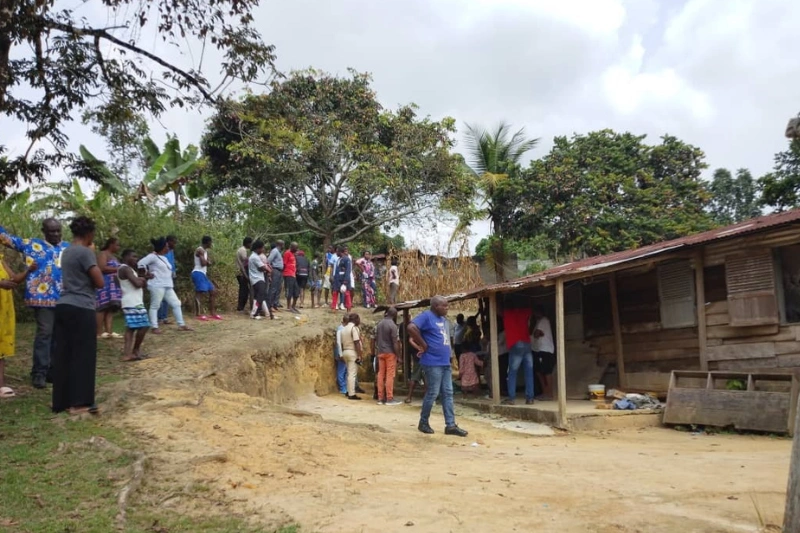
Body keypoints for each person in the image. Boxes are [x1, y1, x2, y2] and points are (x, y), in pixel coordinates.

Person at [0, 218, 69, 389]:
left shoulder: (69, 248)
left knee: (59, 335)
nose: (55, 234)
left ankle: (53, 371)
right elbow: (5, 238)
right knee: (45, 333)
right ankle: (39, 372)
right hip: (41, 298)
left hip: (65, 298)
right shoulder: (31, 244)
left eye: (58, 230)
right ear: (43, 231)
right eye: (51, 231)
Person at [51, 216, 105, 415]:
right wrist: (93, 255)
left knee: (64, 353)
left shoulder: (66, 251)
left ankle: (61, 402)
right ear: (88, 234)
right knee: (83, 355)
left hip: (63, 304)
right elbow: (99, 282)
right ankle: (80, 403)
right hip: (82, 306)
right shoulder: (85, 252)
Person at [407, 296, 468, 437]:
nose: (447, 308)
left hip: (444, 362)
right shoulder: (427, 316)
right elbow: (411, 327)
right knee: (433, 393)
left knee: (448, 393)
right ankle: (423, 422)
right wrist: (423, 344)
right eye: (444, 306)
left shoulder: (443, 320)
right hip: (432, 362)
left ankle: (451, 425)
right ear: (435, 306)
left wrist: (450, 355)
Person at [138, 237, 192, 334]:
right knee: (155, 305)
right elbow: (140, 263)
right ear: (162, 247)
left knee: (176, 303)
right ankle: (154, 327)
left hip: (167, 285)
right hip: (157, 284)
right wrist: (146, 274)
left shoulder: (163, 257)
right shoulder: (152, 256)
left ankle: (181, 325)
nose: (168, 248)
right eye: (166, 246)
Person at [0, 252, 36, 398]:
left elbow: (14, 278)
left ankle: (1, 385)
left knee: (0, 345)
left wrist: (29, 270)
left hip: (3, 308)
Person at [117, 249, 153, 362]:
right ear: (126, 257)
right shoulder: (125, 269)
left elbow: (141, 285)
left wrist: (142, 279)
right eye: (134, 256)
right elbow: (137, 284)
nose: (136, 259)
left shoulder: (128, 270)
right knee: (145, 325)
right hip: (132, 302)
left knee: (131, 328)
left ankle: (129, 353)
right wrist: (142, 279)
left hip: (131, 301)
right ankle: (134, 351)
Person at [502, 303, 534, 405]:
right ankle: (530, 398)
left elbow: (497, 309)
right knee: (529, 372)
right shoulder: (523, 312)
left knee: (512, 372)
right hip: (527, 343)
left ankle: (511, 398)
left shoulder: (506, 314)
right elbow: (531, 311)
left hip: (515, 344)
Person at [373, 307, 402, 405]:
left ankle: (380, 398)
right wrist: (398, 356)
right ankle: (389, 398)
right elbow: (395, 342)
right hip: (390, 353)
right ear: (394, 315)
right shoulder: (393, 326)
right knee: (390, 375)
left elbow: (375, 338)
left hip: (380, 352)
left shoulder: (379, 324)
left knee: (381, 374)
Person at [95, 237, 123, 339]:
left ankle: (109, 332)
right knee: (102, 307)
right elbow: (102, 268)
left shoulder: (114, 257)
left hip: (114, 285)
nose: (118, 247)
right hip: (105, 284)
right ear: (111, 244)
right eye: (117, 245)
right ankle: (99, 332)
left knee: (110, 308)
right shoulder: (103, 254)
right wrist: (118, 269)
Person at [192, 236, 221, 321]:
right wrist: (207, 262)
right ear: (207, 242)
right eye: (210, 242)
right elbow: (204, 263)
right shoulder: (200, 250)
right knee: (199, 292)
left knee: (213, 291)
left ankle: (212, 313)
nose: (211, 244)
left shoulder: (204, 251)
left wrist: (207, 262)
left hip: (203, 274)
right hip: (198, 273)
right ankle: (198, 314)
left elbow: (208, 262)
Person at [531, 306, 555, 400]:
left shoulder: (544, 321)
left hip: (545, 350)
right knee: (539, 371)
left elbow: (537, 334)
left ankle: (549, 393)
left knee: (547, 372)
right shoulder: (538, 322)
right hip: (538, 349)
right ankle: (545, 392)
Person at [248, 240, 274, 320]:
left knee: (260, 296)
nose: (263, 250)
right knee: (259, 297)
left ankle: (268, 314)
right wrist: (269, 270)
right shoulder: (255, 257)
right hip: (257, 279)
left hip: (257, 278)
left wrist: (267, 269)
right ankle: (254, 313)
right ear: (258, 248)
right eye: (262, 248)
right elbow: (262, 267)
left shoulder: (255, 256)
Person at [340, 313, 363, 400]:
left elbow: (342, 343)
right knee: (352, 374)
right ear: (356, 319)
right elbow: (356, 342)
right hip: (352, 352)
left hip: (345, 351)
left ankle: (348, 391)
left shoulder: (344, 329)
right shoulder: (354, 328)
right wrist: (359, 355)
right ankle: (352, 394)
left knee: (348, 373)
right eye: (358, 319)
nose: (359, 321)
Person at [157, 235, 177, 325]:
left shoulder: (171, 250)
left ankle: (164, 317)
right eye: (173, 242)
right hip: (161, 276)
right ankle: (159, 318)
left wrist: (173, 271)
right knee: (160, 297)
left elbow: (172, 261)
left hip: (169, 275)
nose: (175, 244)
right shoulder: (163, 249)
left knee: (166, 298)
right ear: (168, 241)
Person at [331, 246, 352, 312]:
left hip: (343, 280)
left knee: (346, 294)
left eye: (337, 251)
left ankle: (348, 308)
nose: (336, 253)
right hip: (337, 279)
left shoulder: (347, 259)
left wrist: (345, 282)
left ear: (340, 252)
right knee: (335, 293)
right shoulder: (338, 259)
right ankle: (334, 308)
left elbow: (348, 271)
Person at [236, 237, 253, 313]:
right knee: (244, 290)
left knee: (244, 290)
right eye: (250, 243)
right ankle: (240, 308)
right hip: (241, 272)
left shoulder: (242, 249)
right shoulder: (243, 250)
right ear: (248, 243)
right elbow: (245, 260)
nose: (251, 245)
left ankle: (241, 307)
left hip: (241, 272)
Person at [266, 240, 284, 312]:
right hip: (275, 270)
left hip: (279, 271)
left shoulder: (279, 252)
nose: (283, 246)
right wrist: (270, 271)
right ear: (280, 244)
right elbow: (268, 260)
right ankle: (269, 305)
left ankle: (274, 305)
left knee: (277, 288)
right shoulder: (275, 251)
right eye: (283, 244)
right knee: (273, 288)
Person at [282, 242, 300, 314]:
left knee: (296, 292)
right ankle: (289, 307)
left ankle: (293, 306)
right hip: (288, 274)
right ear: (291, 247)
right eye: (295, 248)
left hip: (293, 274)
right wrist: (283, 274)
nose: (297, 249)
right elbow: (284, 264)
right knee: (289, 291)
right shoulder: (287, 253)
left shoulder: (293, 254)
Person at [334, 315, 348, 395]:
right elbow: (339, 343)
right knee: (341, 370)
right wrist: (340, 354)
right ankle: (342, 388)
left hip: (342, 351)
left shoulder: (342, 328)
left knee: (344, 370)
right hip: (341, 352)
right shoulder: (341, 329)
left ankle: (344, 387)